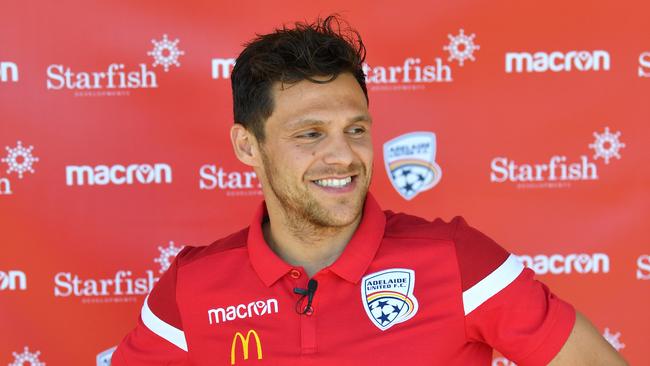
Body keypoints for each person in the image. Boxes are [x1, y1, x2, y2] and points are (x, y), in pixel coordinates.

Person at [112, 15, 627, 365]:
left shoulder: (457, 260)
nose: (343, 156)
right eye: (311, 134)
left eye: (356, 130)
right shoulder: (191, 287)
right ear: (248, 147)